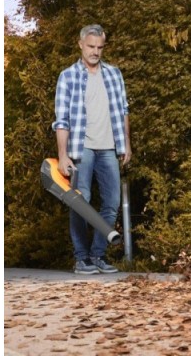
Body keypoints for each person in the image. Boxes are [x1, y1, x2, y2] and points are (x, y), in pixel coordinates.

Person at [52, 24, 132, 274]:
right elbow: (61, 120)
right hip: (81, 148)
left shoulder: (114, 74)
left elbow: (124, 110)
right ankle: (81, 258)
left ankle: (98, 255)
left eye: (99, 47)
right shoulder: (68, 76)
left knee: (111, 202)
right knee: (81, 201)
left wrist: (126, 143)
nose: (95, 51)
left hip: (109, 147)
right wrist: (63, 154)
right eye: (91, 46)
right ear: (80, 44)